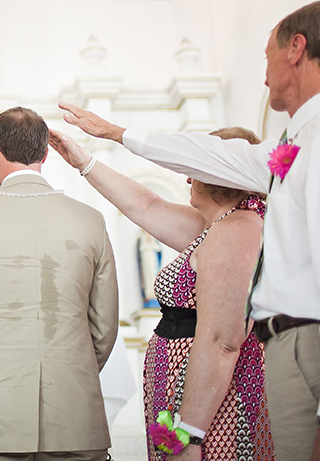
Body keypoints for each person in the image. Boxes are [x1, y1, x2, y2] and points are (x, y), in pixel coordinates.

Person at [58, 1, 320, 461]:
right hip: (294, 353)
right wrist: (115, 136)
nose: (264, 74)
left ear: (297, 49)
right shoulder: (292, 150)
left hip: (319, 352)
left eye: (268, 56)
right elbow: (213, 159)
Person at [50, 127, 274, 460]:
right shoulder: (217, 225)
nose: (187, 180)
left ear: (214, 173)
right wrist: (84, 162)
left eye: (193, 169)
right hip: (185, 394)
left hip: (215, 407)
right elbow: (146, 205)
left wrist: (189, 435)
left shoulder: (237, 230)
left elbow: (222, 341)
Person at [0, 106, 119, 461]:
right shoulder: (91, 220)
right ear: (46, 154)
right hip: (74, 410)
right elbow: (104, 325)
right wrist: (71, 370)